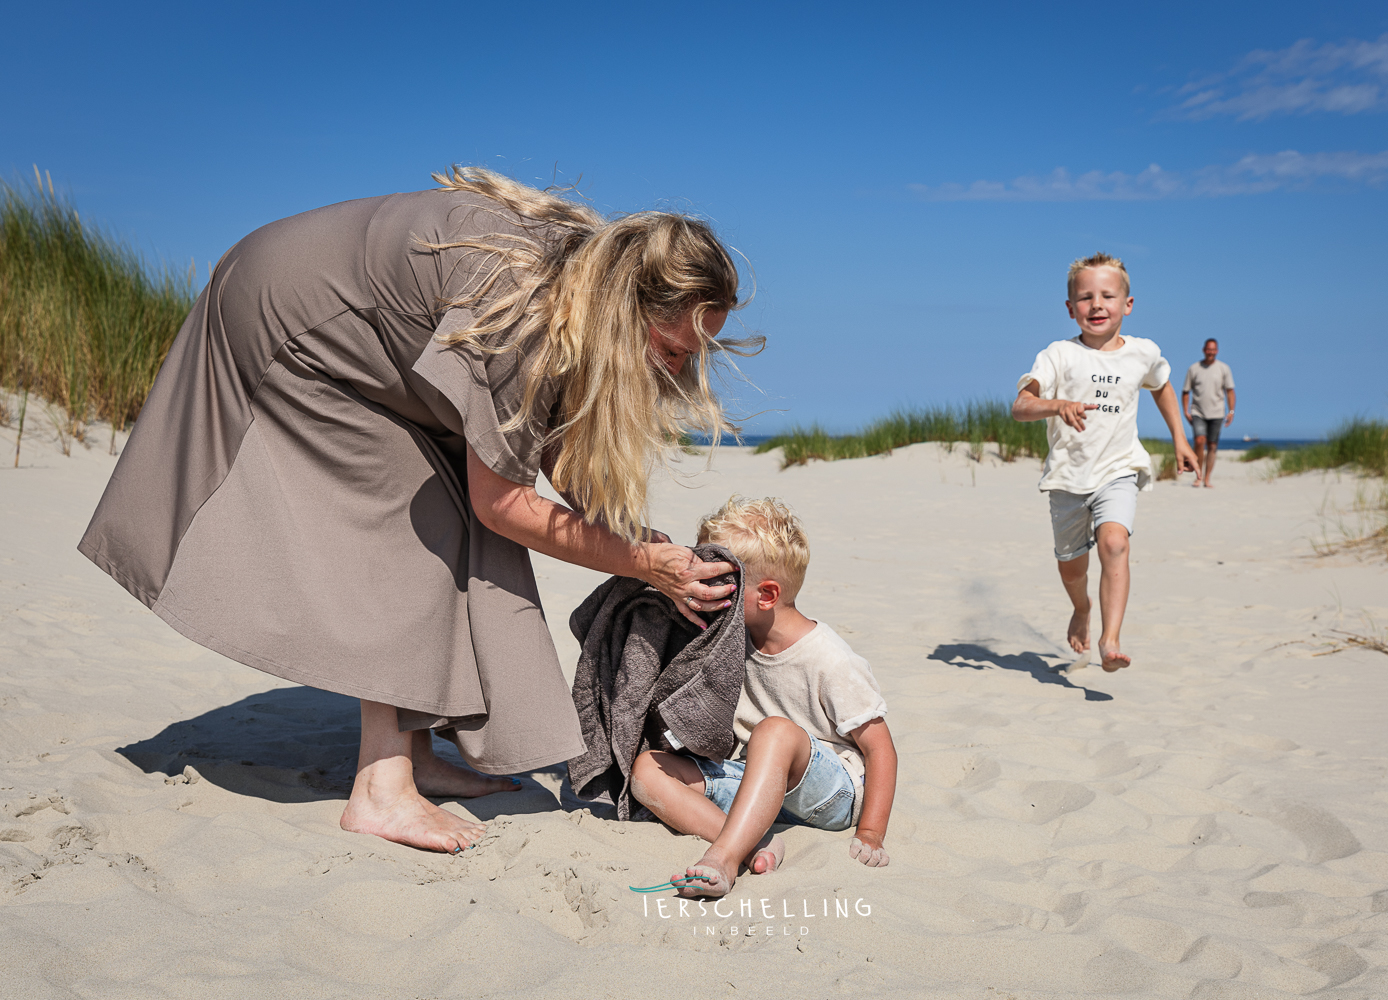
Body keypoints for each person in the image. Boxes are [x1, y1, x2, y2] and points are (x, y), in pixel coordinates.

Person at [78, 167, 760, 854]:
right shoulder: (523, 311)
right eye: (671, 350)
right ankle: (381, 789)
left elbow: (532, 434)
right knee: (422, 519)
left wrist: (624, 535)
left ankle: (420, 755)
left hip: (330, 316)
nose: (676, 373)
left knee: (450, 500)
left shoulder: (583, 280)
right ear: (629, 310)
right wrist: (641, 562)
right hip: (286, 322)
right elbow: (503, 504)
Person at [629, 497, 897, 897]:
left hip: (831, 793)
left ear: (767, 595)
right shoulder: (726, 643)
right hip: (760, 787)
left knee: (774, 732)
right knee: (648, 770)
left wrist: (872, 833)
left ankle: (723, 857)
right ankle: (754, 841)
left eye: (718, 578)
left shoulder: (831, 659)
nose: (702, 586)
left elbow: (881, 750)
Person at [1013, 253, 1198, 672]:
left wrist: (1181, 440)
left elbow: (1163, 386)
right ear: (1070, 308)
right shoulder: (1058, 355)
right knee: (1071, 568)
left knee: (1116, 543)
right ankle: (1082, 607)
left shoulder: (1143, 353)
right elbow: (1021, 405)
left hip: (1118, 469)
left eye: (1108, 296)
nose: (1097, 305)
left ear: (1127, 304)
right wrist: (1056, 405)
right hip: (1067, 478)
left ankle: (1110, 640)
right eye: (1085, 297)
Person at [1181, 338, 1236, 488]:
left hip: (1217, 413)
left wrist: (1231, 411)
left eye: (1213, 350)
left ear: (1217, 351)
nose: (1210, 352)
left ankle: (1207, 478)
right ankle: (1198, 475)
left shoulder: (1224, 369)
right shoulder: (1194, 368)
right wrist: (1185, 411)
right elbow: (1185, 391)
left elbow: (1230, 391)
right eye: (1208, 349)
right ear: (1204, 350)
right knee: (1199, 441)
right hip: (1198, 411)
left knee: (1212, 445)